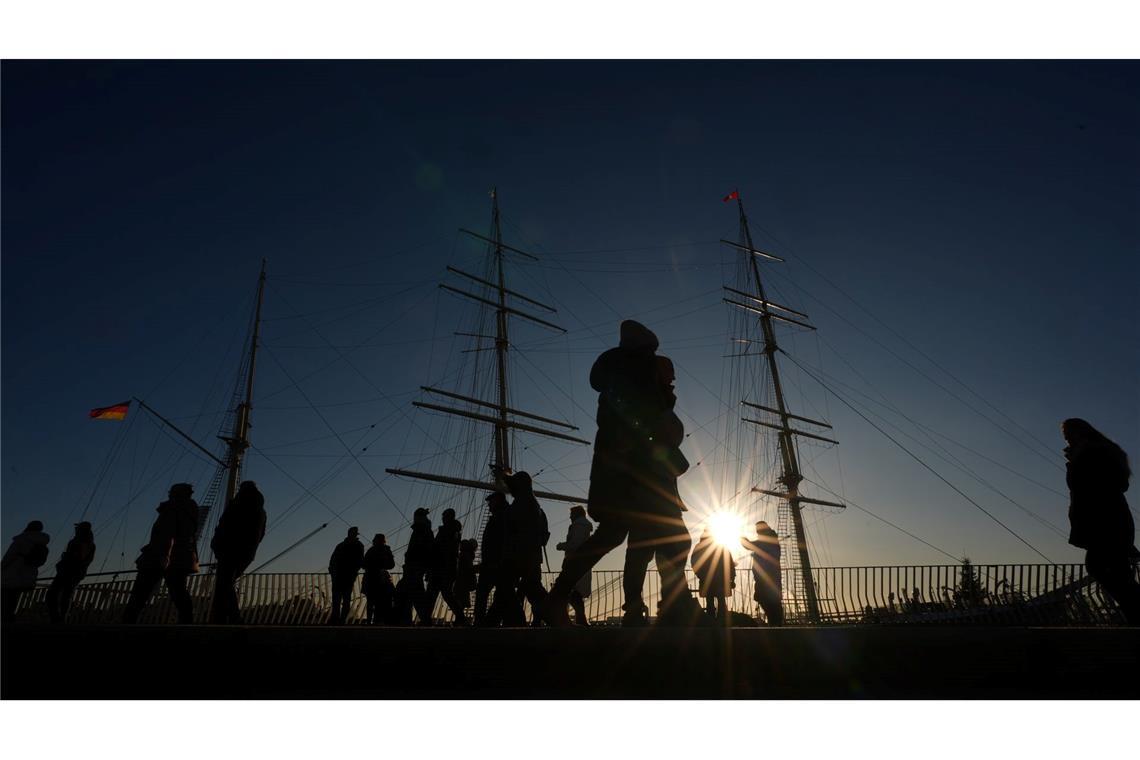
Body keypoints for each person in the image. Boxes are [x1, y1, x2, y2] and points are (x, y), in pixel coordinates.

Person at [545, 320, 672, 626]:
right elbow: (646, 425)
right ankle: (567, 596)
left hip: (624, 475)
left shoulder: (618, 387)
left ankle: (625, 605)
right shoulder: (632, 387)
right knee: (624, 537)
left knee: (624, 538)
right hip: (631, 477)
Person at [620, 355, 700, 626]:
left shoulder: (654, 403)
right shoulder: (648, 405)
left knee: (659, 551)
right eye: (669, 374)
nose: (673, 380)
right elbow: (660, 443)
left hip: (656, 496)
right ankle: (659, 605)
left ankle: (667, 603)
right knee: (652, 552)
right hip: (651, 496)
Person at [1062, 418, 1139, 624]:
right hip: (1108, 521)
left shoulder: (1092, 454)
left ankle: (1136, 615)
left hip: (1106, 523)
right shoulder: (1095, 453)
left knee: (1099, 565)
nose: (1067, 441)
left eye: (1069, 436)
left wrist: (1077, 461)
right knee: (1116, 571)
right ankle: (1135, 617)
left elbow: (1093, 489)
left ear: (1081, 433)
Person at [123, 484, 200, 624]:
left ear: (176, 494)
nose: (169, 493)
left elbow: (166, 533)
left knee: (141, 591)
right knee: (179, 592)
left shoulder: (173, 508)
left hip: (160, 556)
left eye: (171, 492)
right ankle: (187, 622)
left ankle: (127, 623)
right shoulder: (190, 511)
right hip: (181, 556)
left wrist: (164, 555)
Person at [209, 480, 267, 624]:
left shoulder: (237, 505)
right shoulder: (260, 510)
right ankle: (222, 617)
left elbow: (225, 527)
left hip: (229, 549)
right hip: (247, 553)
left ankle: (231, 617)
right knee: (226, 583)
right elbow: (261, 534)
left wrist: (216, 544)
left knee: (224, 583)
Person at [499, 470, 550, 626]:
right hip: (528, 554)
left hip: (520, 555)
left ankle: (517, 621)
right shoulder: (531, 503)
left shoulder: (522, 504)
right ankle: (554, 617)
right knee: (531, 589)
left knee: (507, 588)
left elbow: (516, 531)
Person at [46, 521, 96, 624]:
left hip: (68, 571)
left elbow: (77, 557)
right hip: (75, 572)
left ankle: (58, 619)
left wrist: (64, 562)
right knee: (65, 595)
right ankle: (61, 618)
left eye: (78, 528)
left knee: (54, 594)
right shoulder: (89, 543)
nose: (75, 529)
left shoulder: (80, 542)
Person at [2, 520, 51, 623]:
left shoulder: (21, 539)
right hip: (29, 573)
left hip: (14, 571)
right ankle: (9, 617)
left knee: (6, 595)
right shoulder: (42, 542)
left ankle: (5, 618)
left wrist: (2, 567)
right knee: (14, 596)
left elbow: (9, 556)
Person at [426, 508, 469, 625]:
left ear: (447, 517)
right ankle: (460, 617)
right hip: (449, 567)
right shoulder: (455, 532)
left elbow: (439, 549)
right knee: (445, 594)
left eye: (444, 517)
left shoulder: (446, 531)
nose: (443, 519)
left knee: (434, 593)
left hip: (441, 567)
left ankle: (426, 619)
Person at [396, 508, 435, 625]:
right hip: (414, 566)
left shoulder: (422, 531)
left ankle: (423, 620)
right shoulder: (422, 530)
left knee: (413, 593)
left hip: (415, 566)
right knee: (411, 592)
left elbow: (426, 550)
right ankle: (413, 619)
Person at [556, 506, 594, 625]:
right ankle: (581, 619)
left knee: (568, 591)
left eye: (571, 514)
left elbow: (575, 544)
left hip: (574, 562)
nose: (570, 517)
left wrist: (561, 546)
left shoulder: (578, 526)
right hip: (580, 563)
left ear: (576, 515)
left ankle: (572, 619)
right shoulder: (584, 526)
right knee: (574, 593)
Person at [474, 492, 507, 626]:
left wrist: (493, 561)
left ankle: (482, 621)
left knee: (483, 592)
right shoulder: (501, 516)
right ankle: (489, 621)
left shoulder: (502, 517)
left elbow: (500, 541)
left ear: (498, 501)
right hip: (493, 562)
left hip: (494, 563)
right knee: (501, 593)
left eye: (491, 502)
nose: (489, 505)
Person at [742, 521, 783, 626]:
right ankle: (776, 628)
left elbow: (748, 545)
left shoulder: (767, 541)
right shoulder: (771, 540)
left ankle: (776, 630)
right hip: (769, 579)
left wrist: (741, 538)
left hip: (766, 580)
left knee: (771, 606)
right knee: (772, 606)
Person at [691, 527, 735, 622]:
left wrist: (700, 574)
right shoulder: (721, 546)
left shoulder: (699, 547)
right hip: (720, 578)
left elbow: (694, 563)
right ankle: (722, 621)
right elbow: (730, 562)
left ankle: (712, 622)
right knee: (720, 600)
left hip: (707, 578)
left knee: (710, 601)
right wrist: (732, 577)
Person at [327, 527, 364, 625]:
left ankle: (340, 619)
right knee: (340, 599)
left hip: (344, 575)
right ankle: (338, 619)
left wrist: (333, 570)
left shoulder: (343, 545)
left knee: (342, 598)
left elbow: (334, 558)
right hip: (343, 575)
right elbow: (333, 559)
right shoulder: (355, 545)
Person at [362, 533, 396, 625]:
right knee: (379, 601)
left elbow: (364, 564)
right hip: (380, 579)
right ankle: (378, 621)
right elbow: (391, 564)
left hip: (373, 578)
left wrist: (374, 566)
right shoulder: (386, 550)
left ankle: (371, 621)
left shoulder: (372, 550)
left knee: (372, 601)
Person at [455, 538, 478, 618]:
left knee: (460, 600)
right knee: (461, 601)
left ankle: (459, 619)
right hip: (464, 582)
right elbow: (468, 569)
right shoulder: (467, 556)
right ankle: (460, 618)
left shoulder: (463, 554)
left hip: (461, 581)